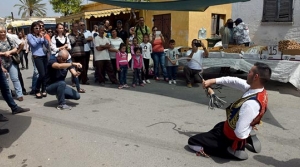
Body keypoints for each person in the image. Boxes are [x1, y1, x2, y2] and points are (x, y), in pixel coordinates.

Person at [188, 62, 272, 160]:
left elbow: (239, 133)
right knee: (219, 126)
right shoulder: (258, 90)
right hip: (232, 125)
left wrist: (246, 130)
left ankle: (231, 149)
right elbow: (234, 81)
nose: (247, 73)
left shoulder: (250, 104)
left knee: (192, 142)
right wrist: (212, 81)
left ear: (255, 77)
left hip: (231, 137)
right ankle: (248, 132)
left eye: (249, 72)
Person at [0, 26, 24, 101]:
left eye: (4, 31)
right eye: (1, 32)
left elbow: (15, 48)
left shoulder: (9, 39)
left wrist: (9, 52)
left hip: (11, 61)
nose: (3, 33)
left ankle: (19, 94)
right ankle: (8, 95)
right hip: (1, 62)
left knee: (15, 78)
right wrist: (4, 53)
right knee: (5, 81)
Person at [27, 22, 49, 99]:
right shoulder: (30, 36)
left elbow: (46, 44)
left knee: (45, 74)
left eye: (39, 28)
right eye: (36, 28)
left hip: (44, 55)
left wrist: (44, 37)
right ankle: (36, 89)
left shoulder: (41, 35)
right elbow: (33, 45)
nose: (38, 29)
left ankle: (44, 89)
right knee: (41, 74)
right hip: (37, 56)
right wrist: (40, 38)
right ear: (32, 28)